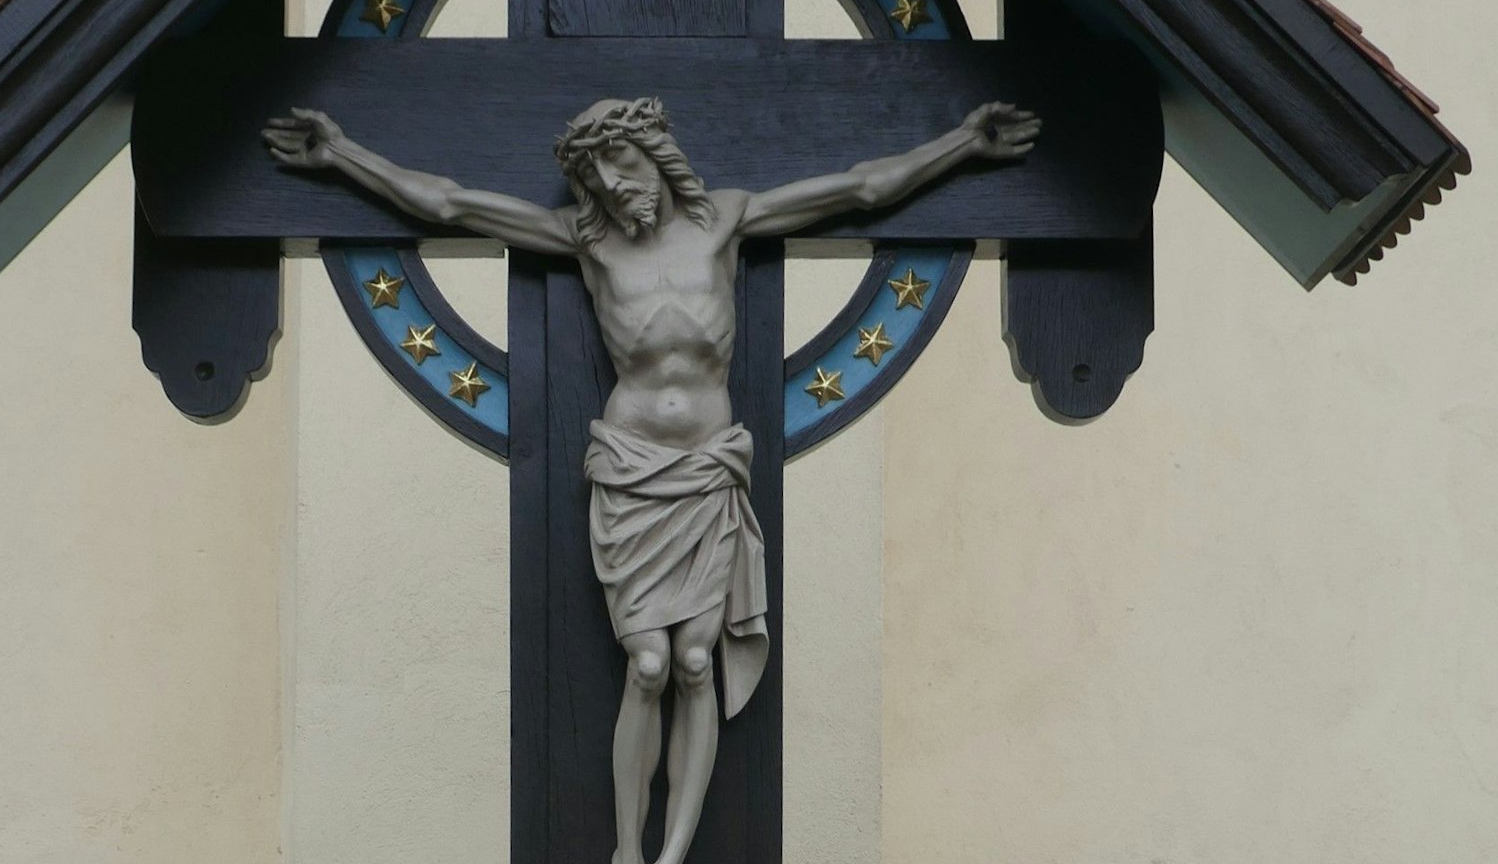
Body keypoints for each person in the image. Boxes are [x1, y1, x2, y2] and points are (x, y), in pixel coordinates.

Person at [264, 95, 1037, 864]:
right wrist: (340, 154)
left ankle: (672, 854)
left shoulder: (725, 221)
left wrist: (965, 144)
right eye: (594, 174)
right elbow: (451, 203)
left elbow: (862, 187)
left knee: (696, 662)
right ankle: (627, 849)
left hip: (704, 475)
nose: (610, 182)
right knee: (650, 663)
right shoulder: (588, 241)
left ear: (657, 152)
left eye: (619, 160)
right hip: (632, 475)